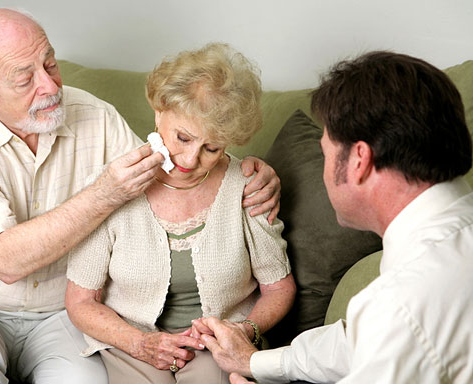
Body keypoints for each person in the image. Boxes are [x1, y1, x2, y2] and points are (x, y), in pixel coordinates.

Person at [0, 9, 282, 384]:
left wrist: (249, 172)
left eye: (49, 64)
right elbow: (6, 261)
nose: (49, 86)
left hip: (59, 314)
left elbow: (169, 173)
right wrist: (103, 194)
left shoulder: (93, 115)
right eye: (24, 78)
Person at [195, 51, 473, 384]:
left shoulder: (405, 300)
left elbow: (393, 326)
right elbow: (357, 341)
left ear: (359, 161)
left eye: (326, 152)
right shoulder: (443, 249)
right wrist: (255, 362)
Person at [65, 42, 296, 384]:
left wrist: (242, 331)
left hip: (217, 344)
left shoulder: (247, 186)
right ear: (159, 113)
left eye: (212, 148)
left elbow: (279, 287)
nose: (190, 160)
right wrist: (140, 342)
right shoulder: (112, 185)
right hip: (131, 342)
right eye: (183, 138)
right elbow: (80, 301)